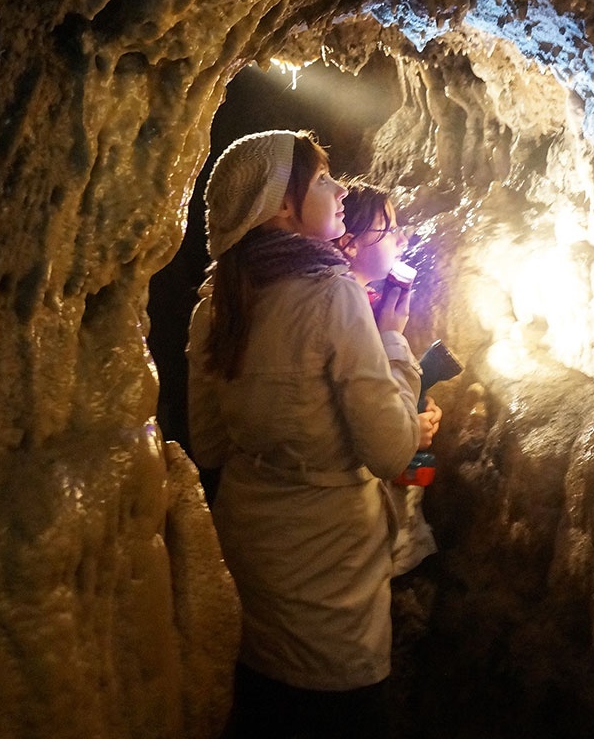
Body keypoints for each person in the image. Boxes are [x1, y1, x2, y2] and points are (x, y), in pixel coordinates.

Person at [186, 130, 440, 738]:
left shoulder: (211, 306)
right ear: (280, 205)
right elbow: (392, 450)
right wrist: (394, 341)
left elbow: (210, 445)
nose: (339, 188)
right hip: (331, 575)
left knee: (265, 711)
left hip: (252, 555)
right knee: (341, 714)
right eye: (322, 180)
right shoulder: (334, 296)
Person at [335, 181, 441, 576]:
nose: (401, 239)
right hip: (353, 524)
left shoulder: (368, 302)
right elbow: (366, 426)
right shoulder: (344, 312)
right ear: (349, 244)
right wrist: (409, 430)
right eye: (388, 228)